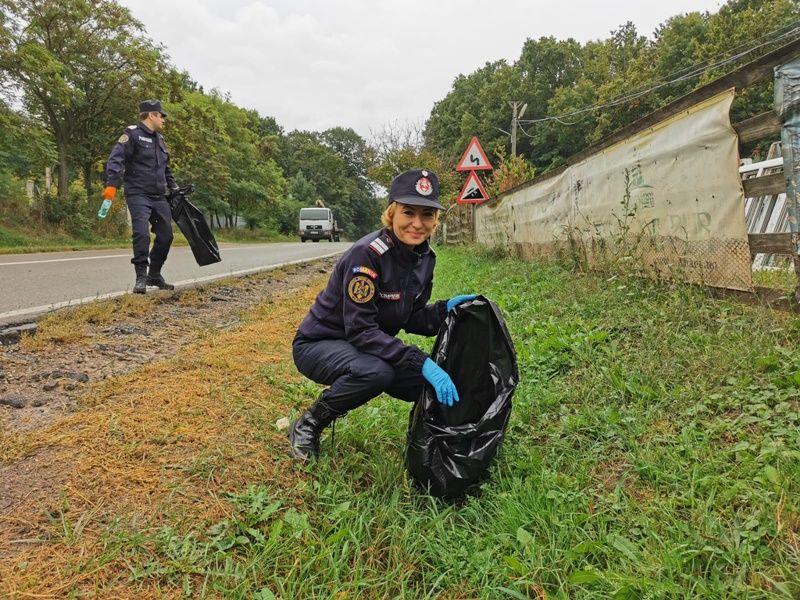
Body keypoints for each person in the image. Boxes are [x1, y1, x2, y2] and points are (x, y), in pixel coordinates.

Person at [288, 168, 477, 460]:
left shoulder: (425, 258)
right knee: (377, 372)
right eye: (408, 212)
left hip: (366, 346)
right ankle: (309, 423)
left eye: (427, 214)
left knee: (428, 386)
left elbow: (409, 317)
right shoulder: (367, 255)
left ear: (435, 220)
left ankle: (432, 441)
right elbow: (361, 330)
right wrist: (420, 361)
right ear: (392, 213)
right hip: (319, 344)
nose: (417, 223)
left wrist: (444, 311)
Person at [103, 99, 178, 294]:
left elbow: (166, 169)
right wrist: (112, 185)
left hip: (159, 196)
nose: (163, 119)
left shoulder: (160, 140)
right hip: (138, 194)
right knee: (142, 234)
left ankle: (154, 274)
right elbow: (116, 159)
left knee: (166, 236)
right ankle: (141, 277)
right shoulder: (132, 135)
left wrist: (174, 187)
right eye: (161, 116)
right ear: (151, 115)